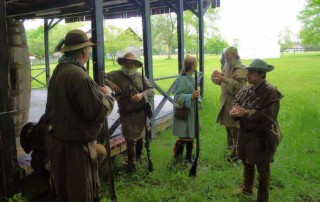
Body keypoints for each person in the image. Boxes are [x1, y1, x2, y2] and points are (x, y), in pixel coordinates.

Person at [44, 29, 114, 202]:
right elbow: (97, 111)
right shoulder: (80, 76)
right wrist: (108, 95)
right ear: (84, 51)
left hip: (60, 145)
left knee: (64, 193)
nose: (89, 52)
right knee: (80, 194)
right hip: (76, 151)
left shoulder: (60, 70)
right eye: (88, 49)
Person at [230, 59, 283, 202]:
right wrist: (235, 109)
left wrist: (246, 113)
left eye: (252, 73)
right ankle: (246, 189)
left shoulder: (271, 92)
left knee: (263, 170)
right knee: (246, 162)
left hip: (262, 137)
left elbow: (269, 118)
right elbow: (236, 100)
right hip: (245, 134)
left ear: (262, 74)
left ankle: (262, 198)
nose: (248, 75)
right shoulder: (247, 88)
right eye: (248, 72)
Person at [105, 52, 154, 173]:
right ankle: (131, 165)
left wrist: (142, 94)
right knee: (130, 140)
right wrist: (110, 83)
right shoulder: (115, 75)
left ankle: (139, 157)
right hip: (127, 114)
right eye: (126, 62)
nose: (129, 64)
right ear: (122, 63)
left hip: (141, 113)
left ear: (135, 64)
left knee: (141, 137)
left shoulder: (140, 76)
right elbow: (101, 76)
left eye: (131, 62)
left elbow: (151, 90)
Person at [211, 47, 247, 161]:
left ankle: (237, 153)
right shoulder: (227, 66)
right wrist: (215, 78)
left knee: (236, 129)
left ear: (235, 55)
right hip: (225, 102)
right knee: (228, 128)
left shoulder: (241, 68)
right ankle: (230, 150)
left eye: (228, 55)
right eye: (225, 54)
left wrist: (224, 80)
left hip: (236, 102)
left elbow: (240, 87)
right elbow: (221, 81)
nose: (225, 57)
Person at [172, 55, 200, 163]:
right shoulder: (181, 79)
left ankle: (189, 157)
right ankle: (177, 157)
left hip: (191, 111)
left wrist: (197, 97)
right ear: (193, 65)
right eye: (196, 64)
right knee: (183, 135)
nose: (196, 66)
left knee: (190, 134)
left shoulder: (191, 77)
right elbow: (177, 97)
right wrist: (191, 96)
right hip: (184, 112)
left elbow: (193, 92)